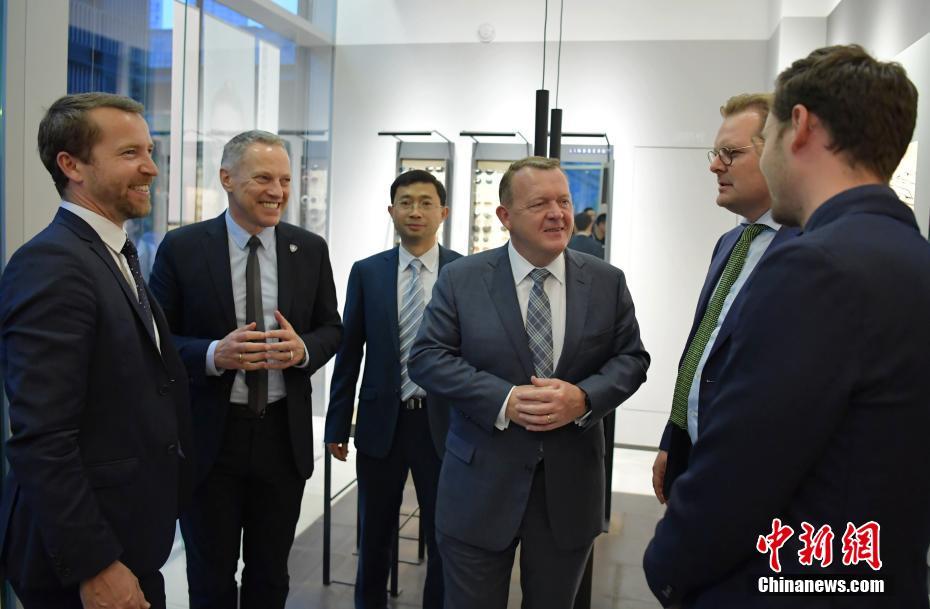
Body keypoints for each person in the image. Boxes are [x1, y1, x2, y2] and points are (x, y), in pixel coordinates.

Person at [644, 44, 930, 609]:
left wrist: (666, 567)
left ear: (798, 127)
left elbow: (743, 469)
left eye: (765, 135)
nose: (717, 164)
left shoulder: (814, 265)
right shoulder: (911, 256)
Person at [409, 156, 650, 608]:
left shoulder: (606, 281)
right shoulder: (462, 279)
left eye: (564, 201)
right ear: (505, 216)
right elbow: (426, 358)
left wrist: (584, 398)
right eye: (540, 204)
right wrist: (503, 400)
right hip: (479, 487)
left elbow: (632, 360)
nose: (557, 214)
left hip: (569, 492)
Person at [0, 92, 193, 609]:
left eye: (149, 151)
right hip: (87, 563)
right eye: (130, 153)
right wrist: (96, 565)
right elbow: (42, 438)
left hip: (129, 539)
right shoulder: (52, 265)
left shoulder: (112, 253)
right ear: (72, 166)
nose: (151, 168)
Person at [149, 130, 342, 609]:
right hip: (211, 442)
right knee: (210, 579)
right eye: (263, 178)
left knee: (270, 577)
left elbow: (332, 328)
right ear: (227, 179)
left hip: (282, 439)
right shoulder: (182, 248)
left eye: (285, 180)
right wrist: (214, 354)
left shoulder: (309, 249)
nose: (277, 191)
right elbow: (155, 340)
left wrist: (303, 349)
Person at [325, 169, 462, 609]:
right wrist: (336, 424)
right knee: (374, 535)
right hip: (381, 422)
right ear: (391, 211)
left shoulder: (465, 272)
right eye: (405, 202)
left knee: (444, 536)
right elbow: (350, 352)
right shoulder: (368, 272)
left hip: (443, 425)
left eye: (425, 202)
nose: (415, 211)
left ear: (443, 212)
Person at [651, 93, 798, 504]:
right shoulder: (730, 243)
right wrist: (674, 437)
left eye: (731, 153)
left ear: (778, 152)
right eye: (716, 154)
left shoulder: (810, 251)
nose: (715, 165)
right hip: (697, 457)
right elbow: (702, 350)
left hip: (756, 477)